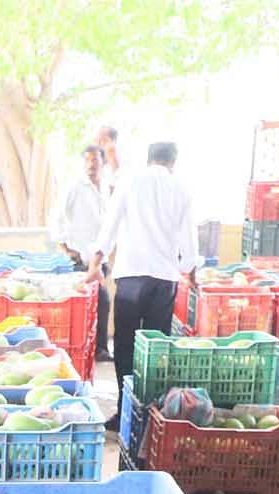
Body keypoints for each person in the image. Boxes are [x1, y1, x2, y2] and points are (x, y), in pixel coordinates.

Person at [84, 140, 198, 394]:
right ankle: (149, 407)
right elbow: (188, 238)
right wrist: (190, 271)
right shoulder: (181, 189)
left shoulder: (130, 181)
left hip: (132, 276)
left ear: (149, 159)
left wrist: (95, 264)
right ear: (173, 162)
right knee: (156, 348)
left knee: (125, 344)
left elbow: (109, 226)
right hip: (164, 280)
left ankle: (125, 406)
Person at [52, 144, 110, 361]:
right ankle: (85, 350)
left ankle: (98, 349)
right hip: (79, 259)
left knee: (100, 303)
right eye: (87, 160)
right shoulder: (75, 186)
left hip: (98, 257)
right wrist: (64, 248)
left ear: (102, 163)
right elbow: (56, 216)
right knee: (89, 303)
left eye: (95, 161)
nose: (91, 165)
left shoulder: (104, 187)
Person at [96, 125, 122, 194]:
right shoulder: (91, 164)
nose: (98, 144)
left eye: (103, 141)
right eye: (96, 140)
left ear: (113, 143)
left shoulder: (123, 166)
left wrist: (113, 162)